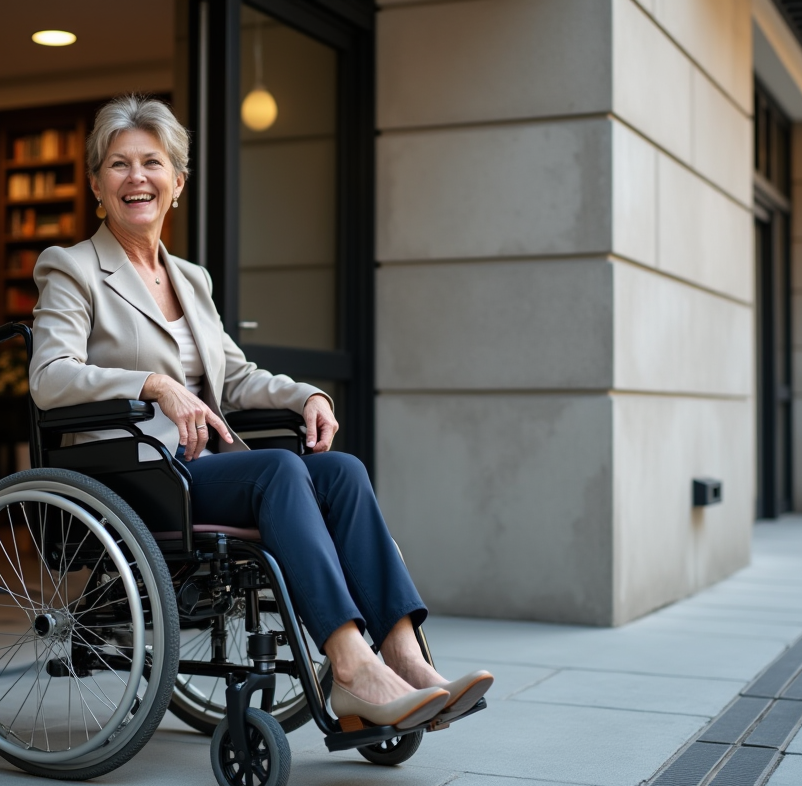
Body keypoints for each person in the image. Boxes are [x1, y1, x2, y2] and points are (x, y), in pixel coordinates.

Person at [28, 95, 492, 730]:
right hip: (131, 476)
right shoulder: (72, 268)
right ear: (96, 186)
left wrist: (307, 396)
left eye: (153, 163)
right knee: (279, 470)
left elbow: (237, 376)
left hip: (200, 471)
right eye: (119, 164)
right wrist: (154, 384)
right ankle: (351, 669)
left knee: (343, 473)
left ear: (177, 184)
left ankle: (406, 659)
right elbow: (49, 378)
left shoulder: (191, 280)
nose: (137, 177)